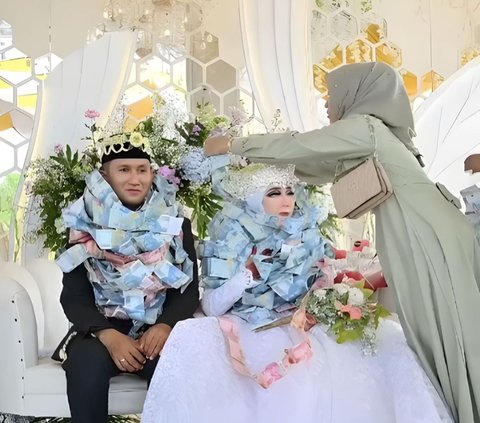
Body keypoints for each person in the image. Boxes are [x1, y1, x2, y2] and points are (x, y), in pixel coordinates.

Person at [204, 61, 480, 423]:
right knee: (442, 332)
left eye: (329, 95)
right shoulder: (372, 135)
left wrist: (235, 145)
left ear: (357, 94)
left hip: (426, 235)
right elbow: (313, 166)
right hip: (427, 233)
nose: (325, 104)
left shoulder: (365, 126)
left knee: (446, 331)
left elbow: (301, 146)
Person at [141, 163, 452, 423]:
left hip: (305, 323)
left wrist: (325, 300)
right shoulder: (231, 236)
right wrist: (249, 273)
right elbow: (212, 306)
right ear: (252, 199)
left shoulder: (306, 232)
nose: (286, 200)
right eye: (274, 193)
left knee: (387, 344)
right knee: (294, 385)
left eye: (290, 191)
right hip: (253, 326)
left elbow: (322, 282)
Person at [52, 133, 199, 423]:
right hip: (101, 331)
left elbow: (189, 289)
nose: (135, 179)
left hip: (156, 331)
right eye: (124, 170)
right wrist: (109, 336)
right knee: (85, 364)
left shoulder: (175, 223)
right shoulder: (85, 224)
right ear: (104, 176)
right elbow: (74, 297)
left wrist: (166, 325)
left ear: (152, 174)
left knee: (179, 365)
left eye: (142, 170)